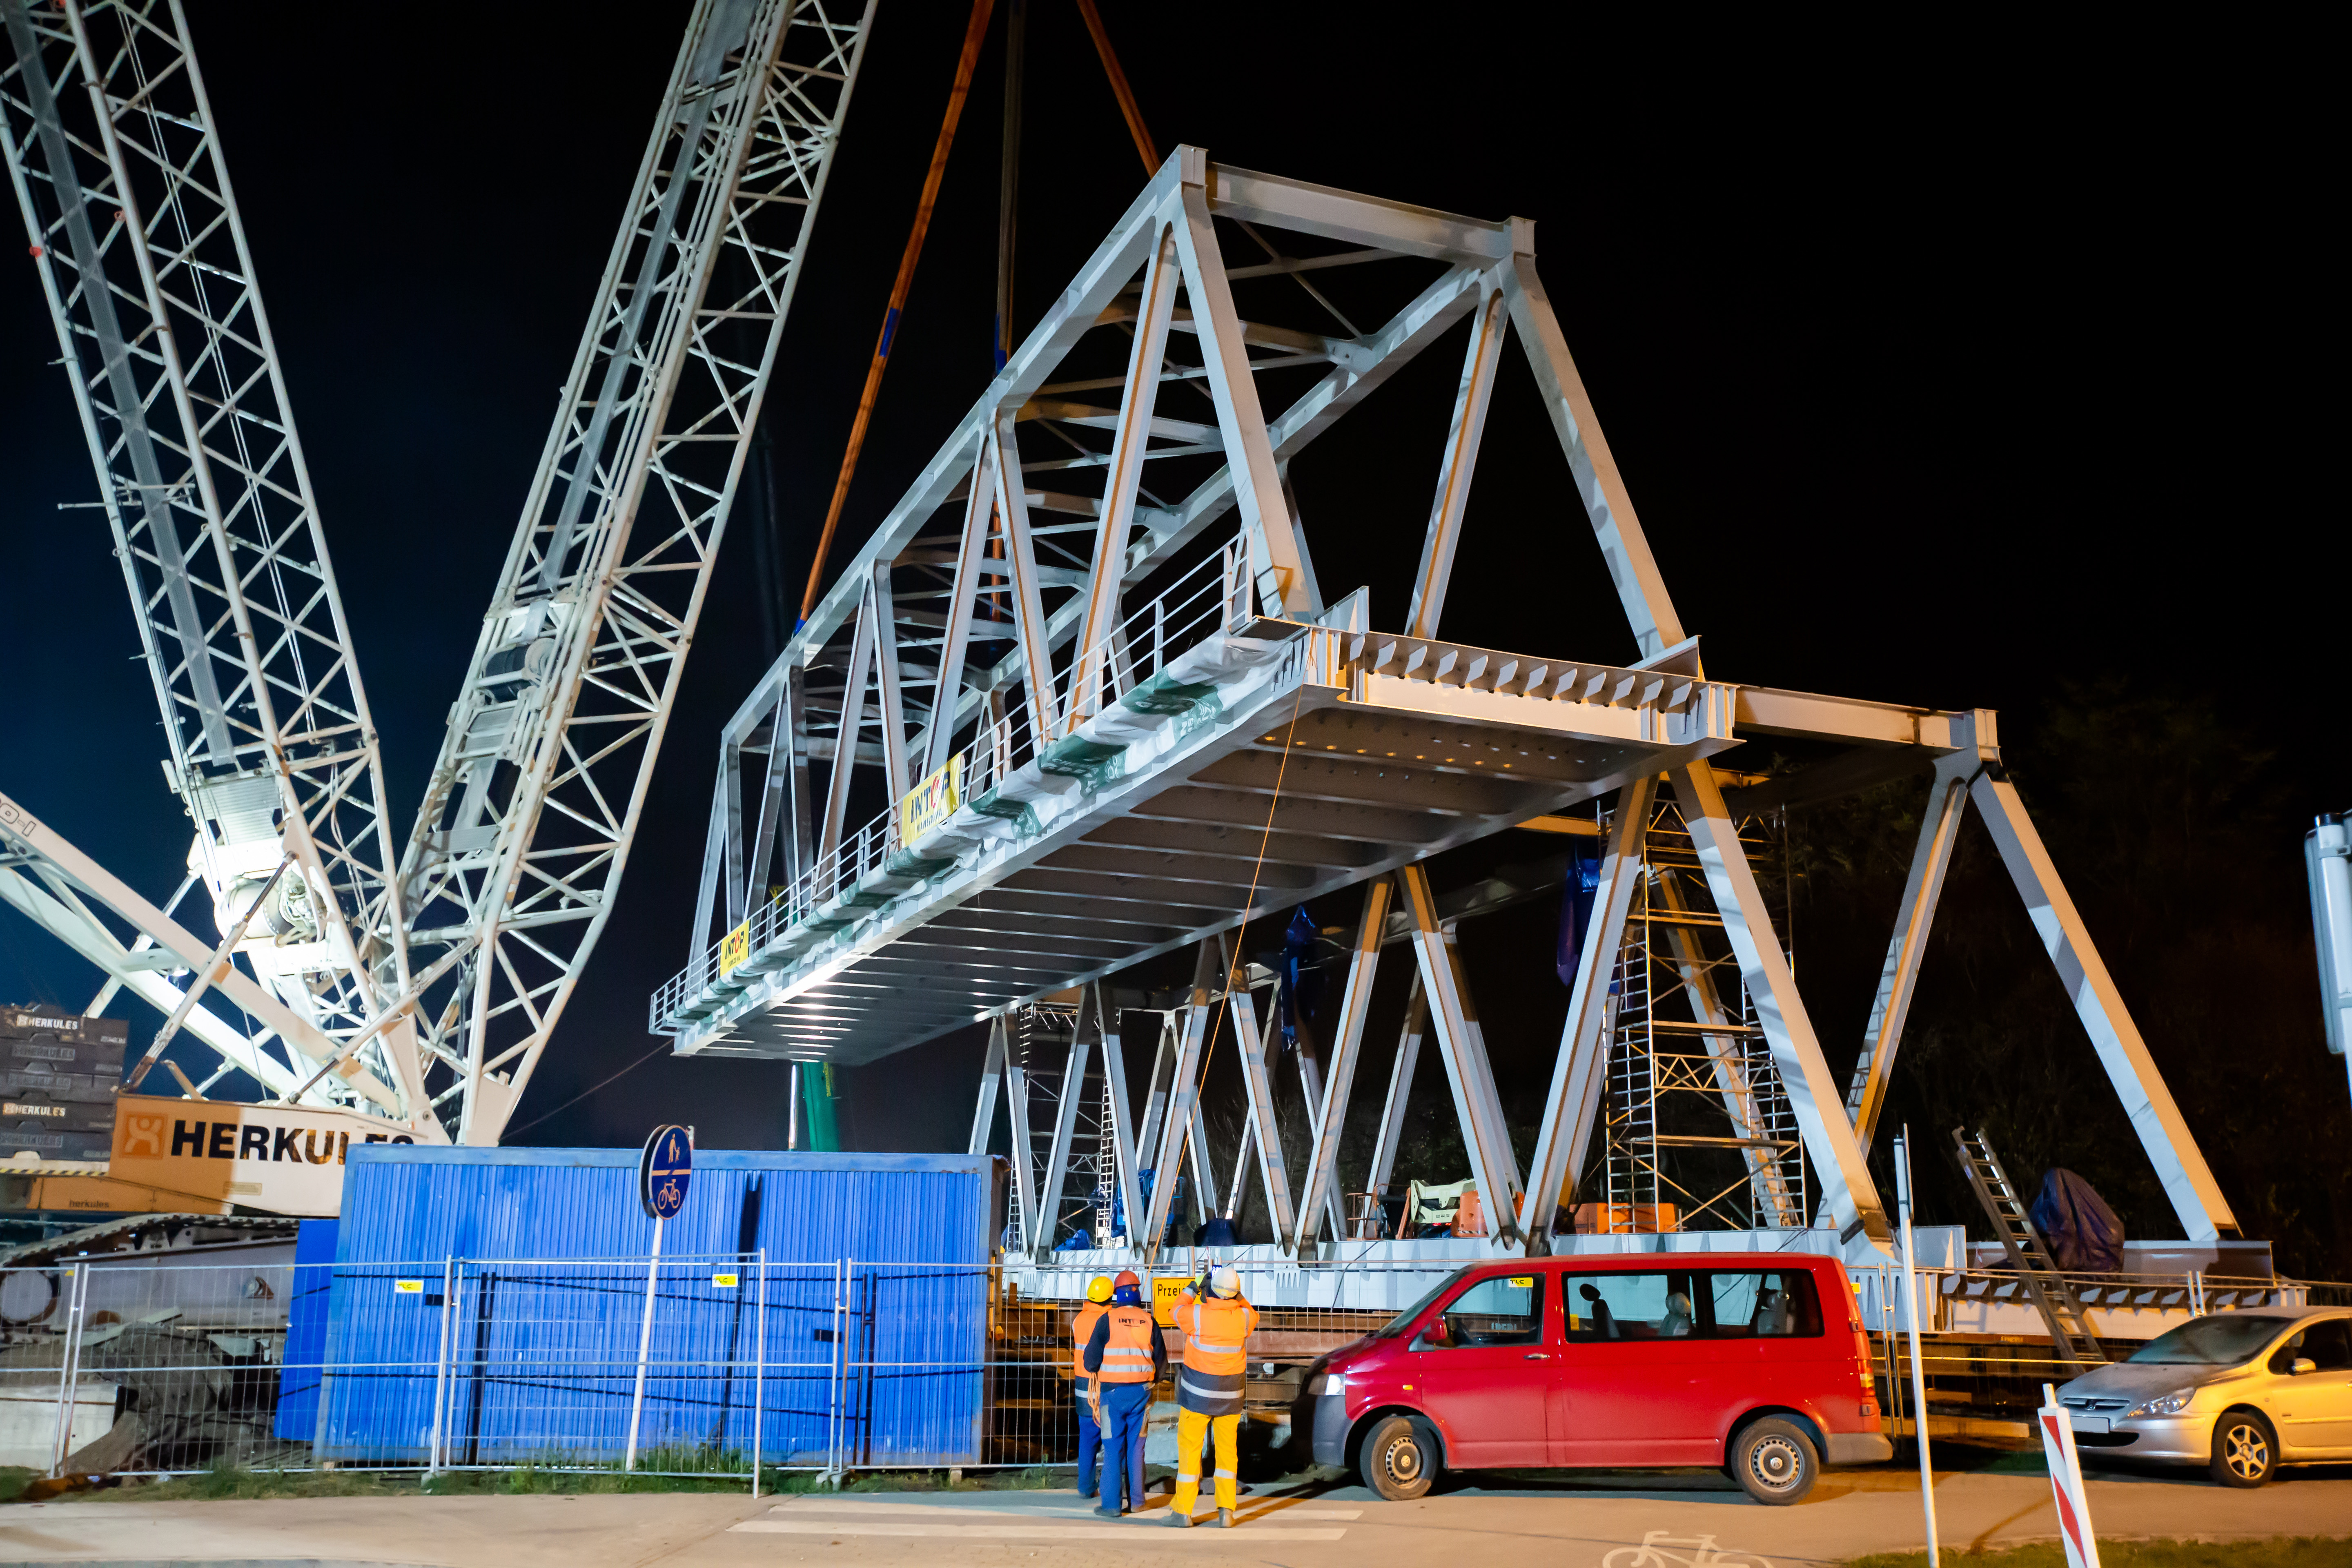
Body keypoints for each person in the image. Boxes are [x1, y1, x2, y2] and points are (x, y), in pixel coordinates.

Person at [1167, 1263, 1257, 1528]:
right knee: (1228, 1453)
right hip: (1231, 1397)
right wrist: (1236, 1294)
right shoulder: (1244, 1318)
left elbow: (1175, 1310)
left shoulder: (1197, 1315)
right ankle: (1226, 1512)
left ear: (1212, 1289)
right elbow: (1251, 1311)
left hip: (1197, 1396)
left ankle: (1183, 1512)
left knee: (1190, 1450)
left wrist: (1194, 1286)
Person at [1082, 1269, 1164, 1519]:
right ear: (1138, 1294)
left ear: (1117, 1294)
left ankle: (1111, 1506)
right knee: (1137, 1448)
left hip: (1112, 1395)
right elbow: (1161, 1362)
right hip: (1141, 1394)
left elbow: (1090, 1361)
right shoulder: (1150, 1321)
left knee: (1113, 1447)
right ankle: (1137, 1502)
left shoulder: (1107, 1320)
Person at [1070, 1275, 1114, 1503]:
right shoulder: (1108, 1320)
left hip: (1082, 1387)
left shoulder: (1078, 1319)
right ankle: (1110, 1488)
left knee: (1087, 1440)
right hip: (1103, 1384)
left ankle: (1086, 1487)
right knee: (1112, 1439)